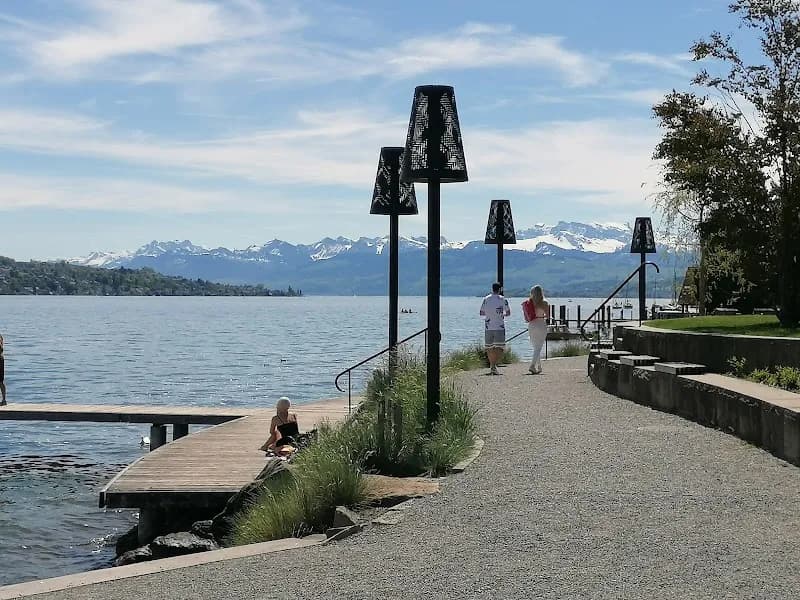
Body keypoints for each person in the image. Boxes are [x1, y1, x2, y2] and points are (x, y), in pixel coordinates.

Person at [480, 282, 511, 375]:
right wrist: (501, 315)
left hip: (488, 326)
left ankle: (492, 366)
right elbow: (508, 312)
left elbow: (481, 313)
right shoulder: (502, 299)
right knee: (500, 347)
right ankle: (493, 365)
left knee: (489, 347)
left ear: (492, 289)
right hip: (499, 326)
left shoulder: (486, 299)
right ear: (500, 289)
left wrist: (490, 314)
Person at [522, 285, 549, 374]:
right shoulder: (544, 303)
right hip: (541, 323)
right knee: (539, 346)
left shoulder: (529, 302)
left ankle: (539, 366)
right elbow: (548, 316)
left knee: (535, 346)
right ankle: (532, 365)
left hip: (532, 324)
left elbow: (526, 317)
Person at [0, 333, 6, 406]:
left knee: (0, 381)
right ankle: (4, 400)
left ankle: (4, 400)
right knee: (1, 381)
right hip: (1, 358)